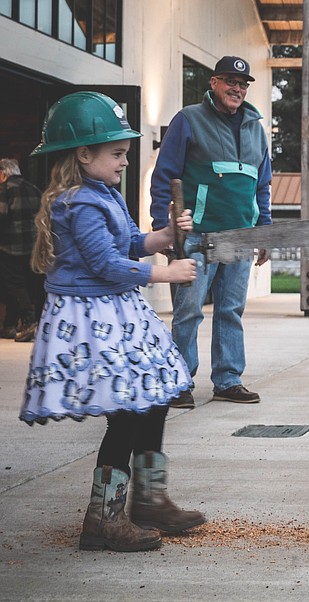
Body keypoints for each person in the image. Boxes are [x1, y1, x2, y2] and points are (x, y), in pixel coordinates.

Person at [19, 91, 205, 552]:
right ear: (84, 154)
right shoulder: (79, 203)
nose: (125, 161)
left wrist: (164, 236)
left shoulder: (102, 193)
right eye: (117, 153)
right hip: (93, 318)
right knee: (126, 416)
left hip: (116, 310)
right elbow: (105, 264)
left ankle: (148, 499)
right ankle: (104, 519)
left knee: (156, 397)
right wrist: (166, 271)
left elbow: (128, 243)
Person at [150, 55, 272, 408]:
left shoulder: (256, 129)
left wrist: (262, 230)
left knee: (231, 309)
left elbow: (262, 185)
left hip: (239, 237)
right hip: (197, 236)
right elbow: (164, 177)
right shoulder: (188, 120)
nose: (237, 88)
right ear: (214, 83)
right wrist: (163, 226)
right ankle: (179, 381)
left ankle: (228, 380)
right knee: (188, 311)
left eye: (243, 83)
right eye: (229, 81)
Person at [0, 158, 44, 342]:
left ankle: (29, 322)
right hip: (32, 247)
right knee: (22, 284)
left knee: (13, 284)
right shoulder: (33, 188)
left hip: (10, 246)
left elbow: (1, 217)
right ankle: (10, 325)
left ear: (3, 173)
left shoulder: (4, 190)